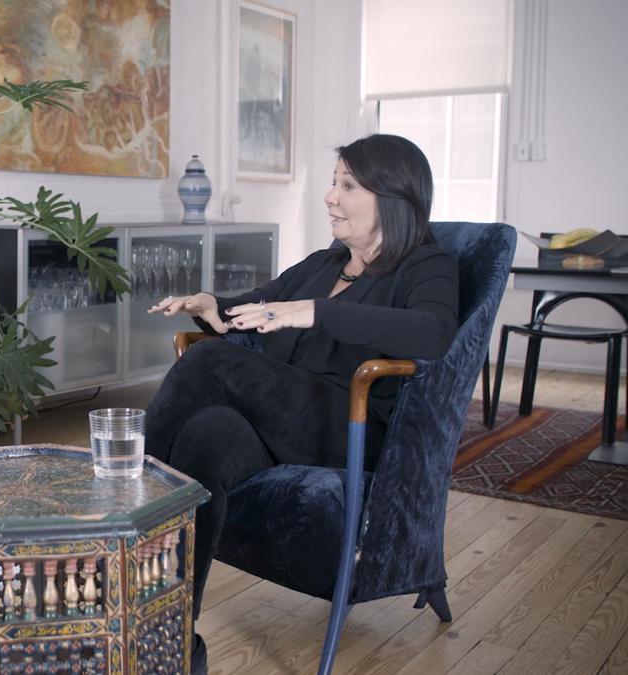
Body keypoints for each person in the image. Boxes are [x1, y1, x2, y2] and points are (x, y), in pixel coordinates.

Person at [146, 134, 458, 673]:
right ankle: (170, 635)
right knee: (206, 441)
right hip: (282, 420)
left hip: (353, 429)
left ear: (392, 196)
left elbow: (432, 334)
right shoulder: (325, 263)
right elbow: (256, 307)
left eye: (346, 185)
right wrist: (212, 306)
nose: (330, 197)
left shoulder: (428, 266)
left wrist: (314, 313)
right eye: (333, 183)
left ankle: (115, 507)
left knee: (209, 363)